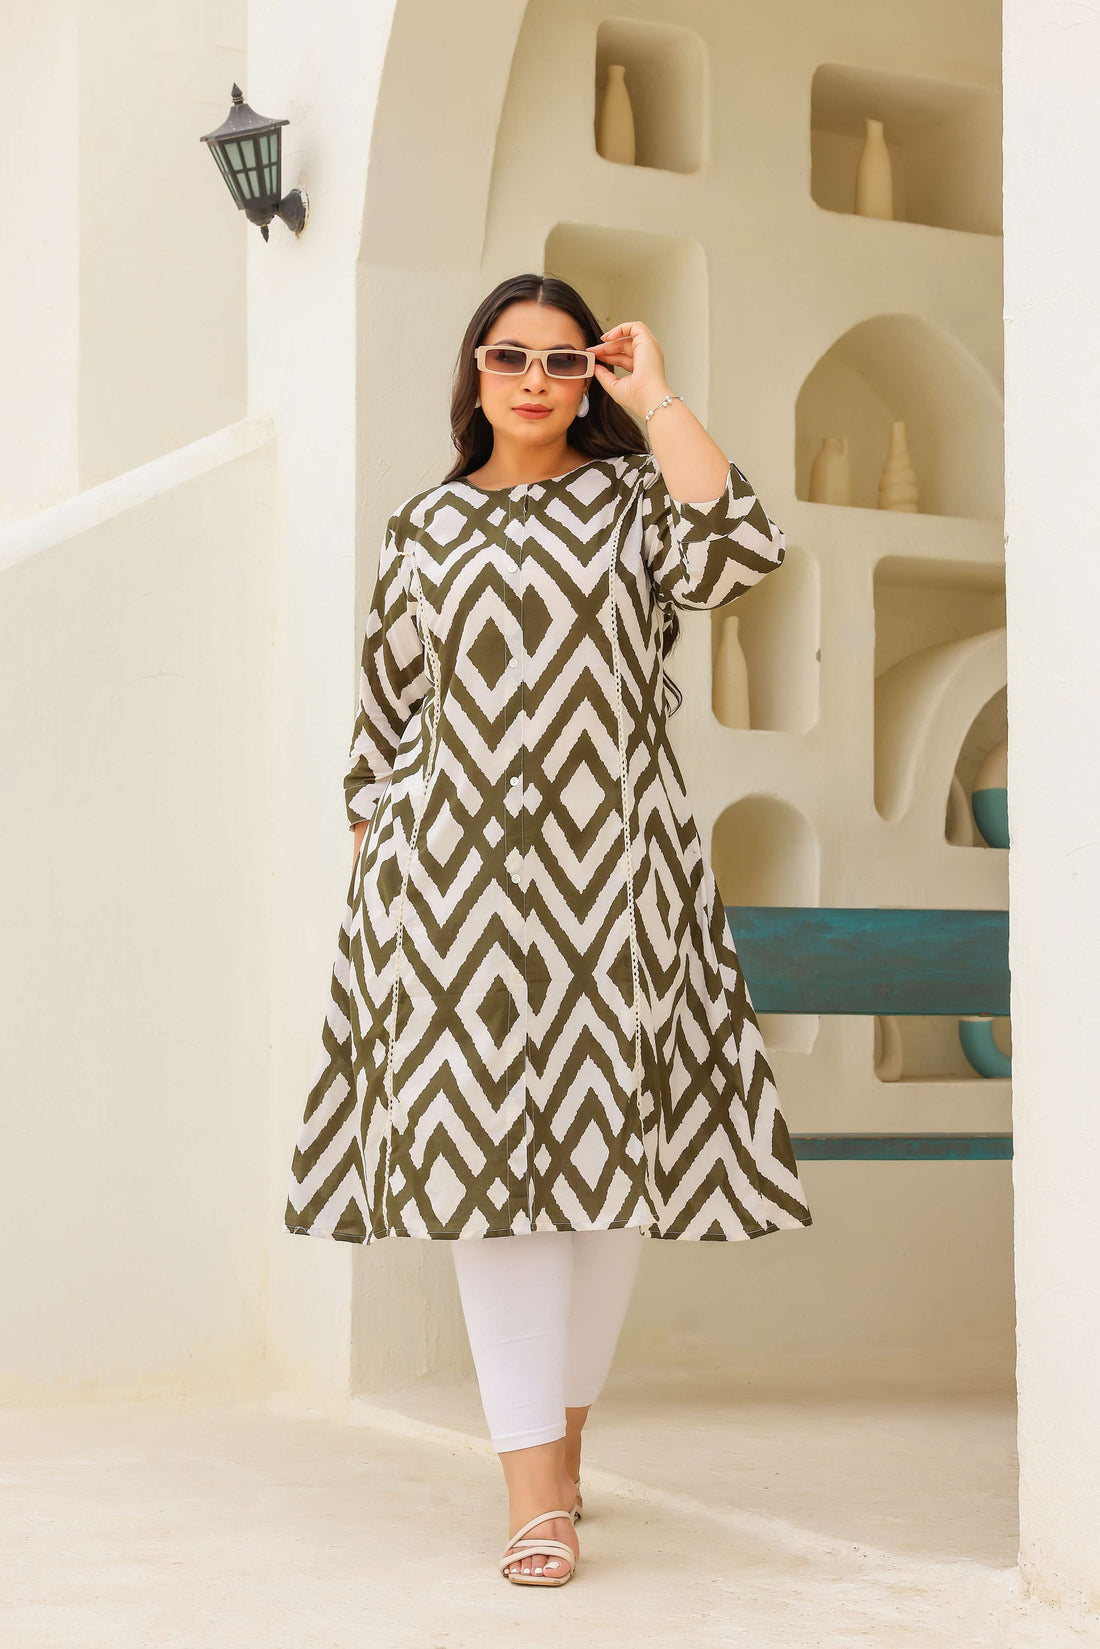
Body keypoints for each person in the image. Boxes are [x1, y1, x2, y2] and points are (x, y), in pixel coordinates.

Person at [284, 273, 813, 1588]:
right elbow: (384, 719)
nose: (534, 379)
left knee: (604, 1178)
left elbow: (741, 552)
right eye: (510, 355)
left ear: (589, 378)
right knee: (491, 1183)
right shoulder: (422, 527)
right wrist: (380, 853)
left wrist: (657, 394)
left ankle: (562, 1450)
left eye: (563, 360)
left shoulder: (633, 499)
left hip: (618, 878)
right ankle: (533, 1496)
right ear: (474, 370)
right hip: (450, 891)